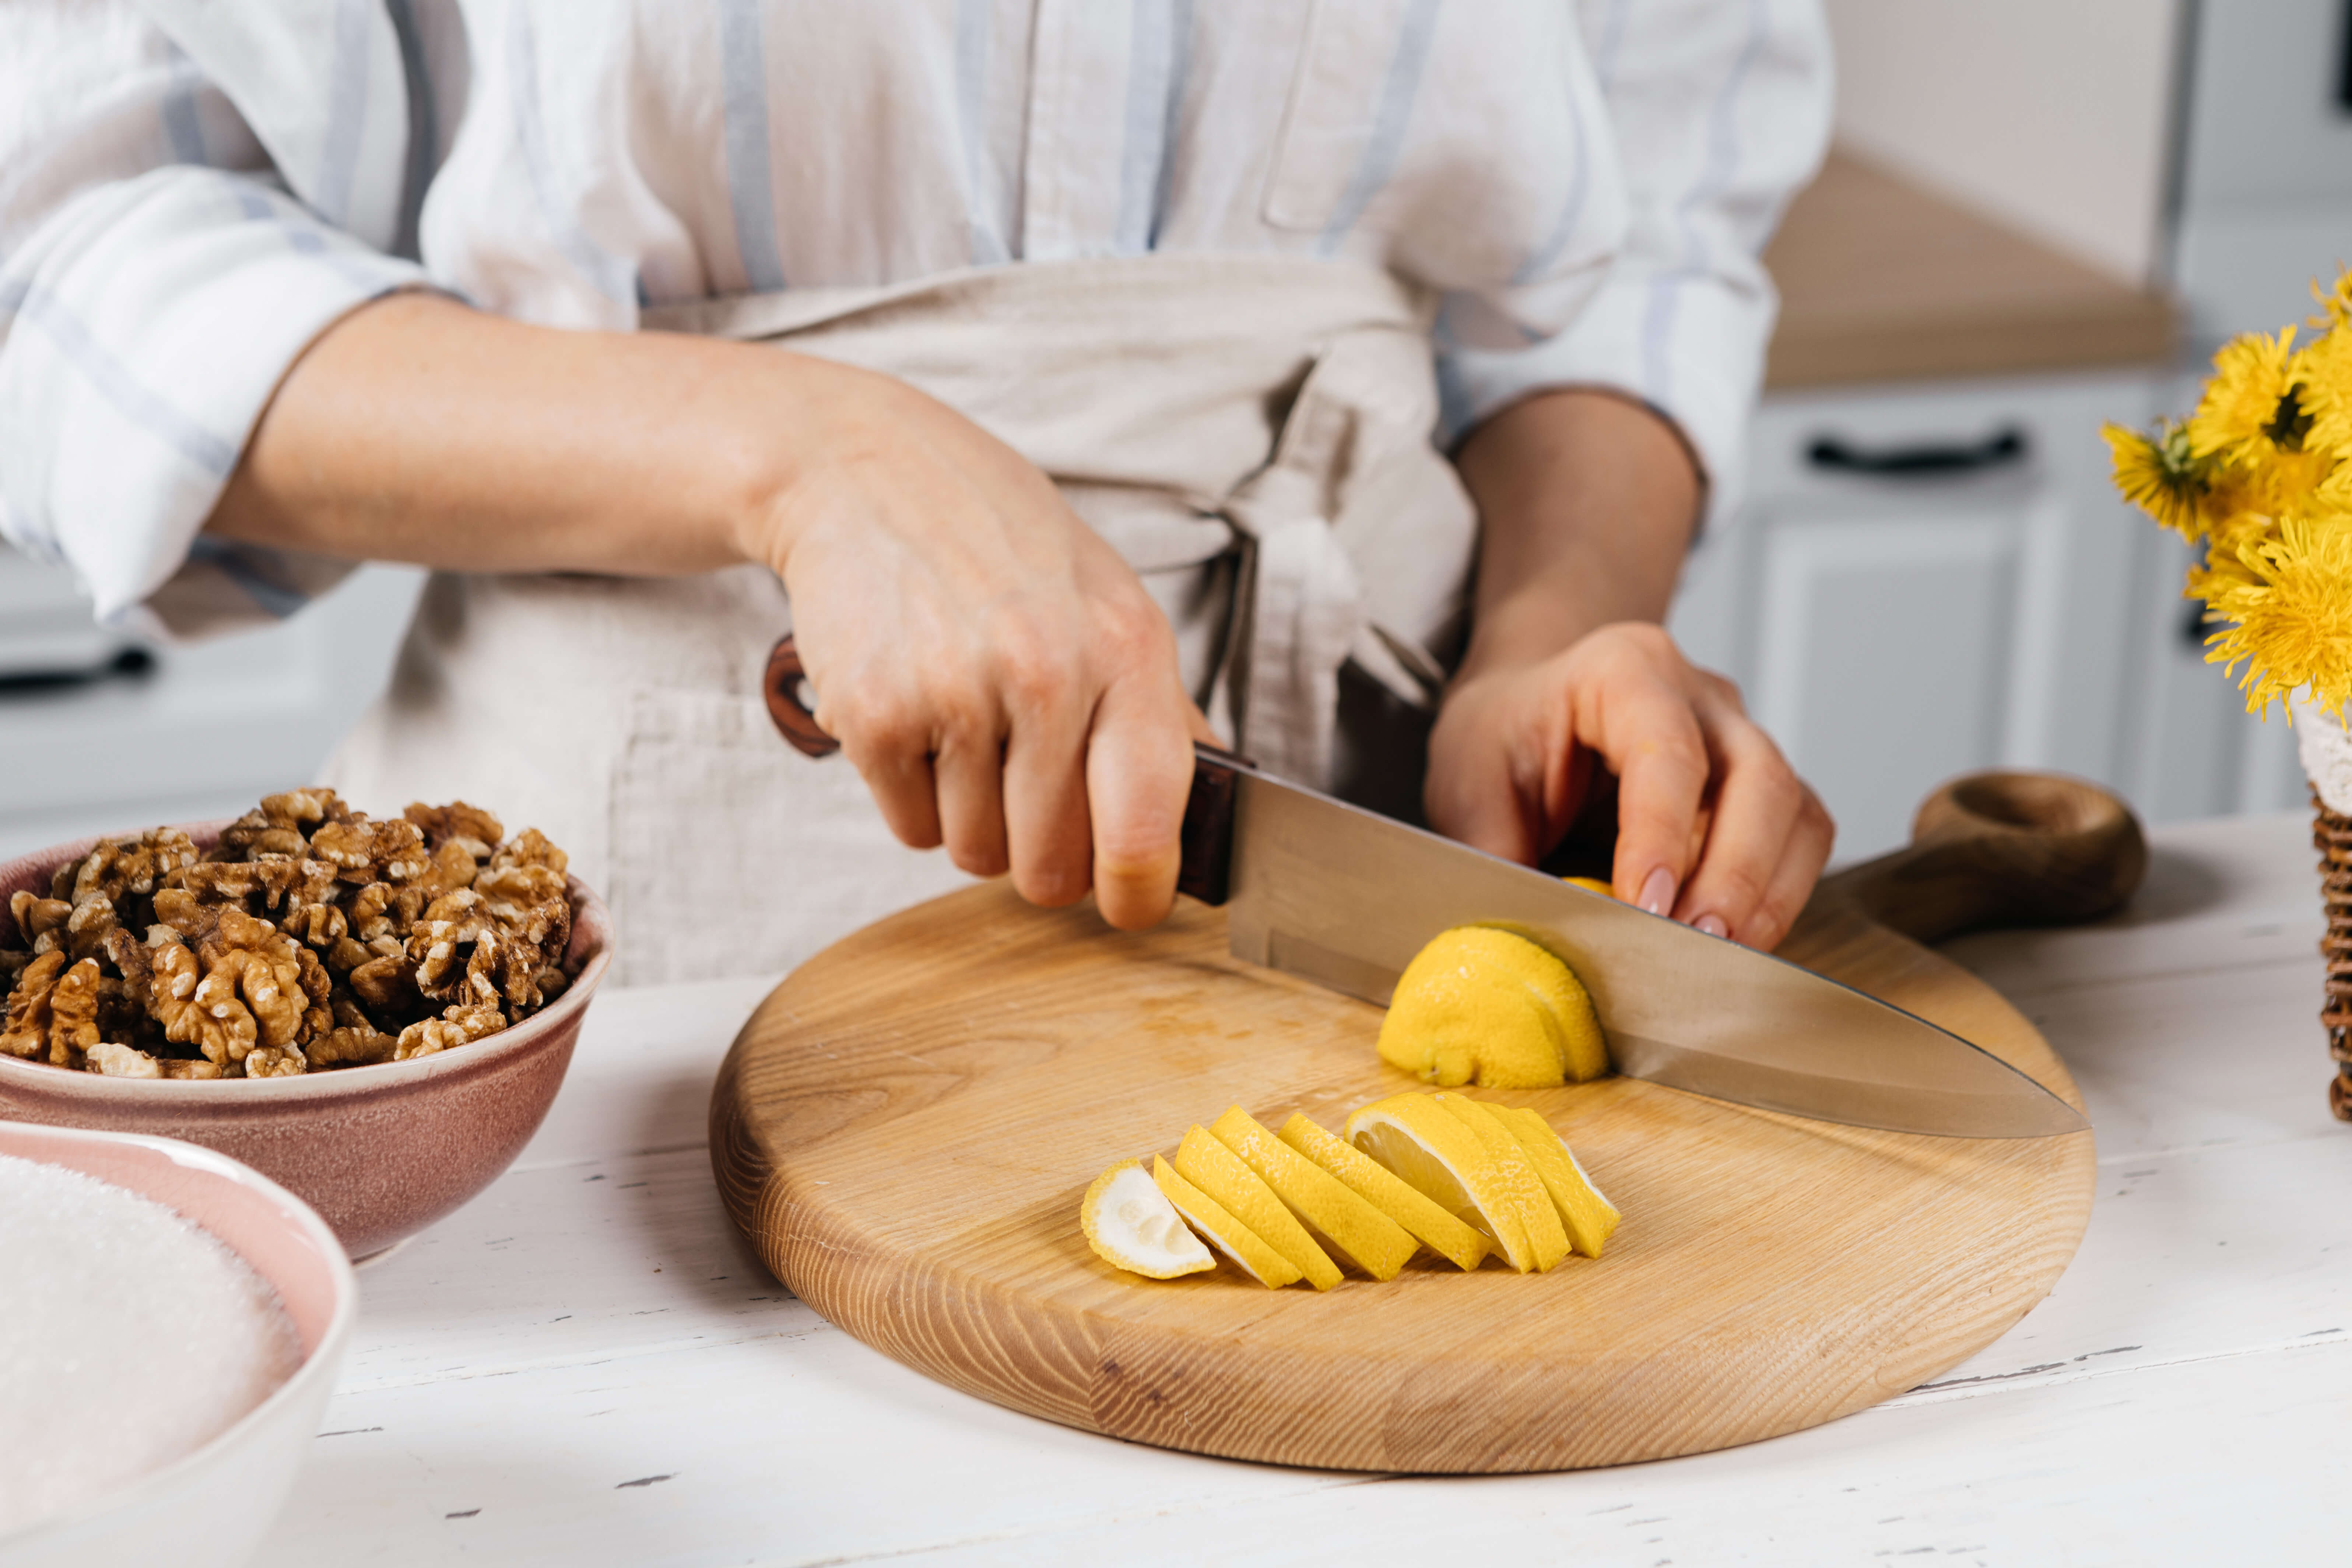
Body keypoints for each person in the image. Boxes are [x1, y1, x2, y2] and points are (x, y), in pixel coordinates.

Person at [0, 1, 1835, 986]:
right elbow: (65, 254)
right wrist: (807, 456)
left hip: (1395, 841)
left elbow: (1647, 243)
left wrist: (1548, 630)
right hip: (636, 948)